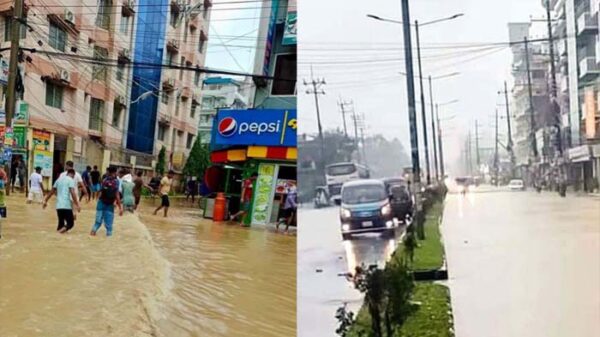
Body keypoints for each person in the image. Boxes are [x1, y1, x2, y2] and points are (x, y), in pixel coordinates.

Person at [43, 169, 81, 234]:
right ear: (72, 174)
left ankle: (57, 237)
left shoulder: (58, 180)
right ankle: (58, 234)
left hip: (58, 206)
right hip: (66, 205)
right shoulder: (70, 180)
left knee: (61, 224)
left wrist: (45, 201)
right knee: (70, 224)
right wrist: (77, 204)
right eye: (73, 176)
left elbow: (51, 192)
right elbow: (72, 192)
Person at [90, 166, 123, 237]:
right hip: (109, 205)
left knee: (97, 223)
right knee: (109, 226)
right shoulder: (116, 181)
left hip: (101, 203)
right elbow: (117, 195)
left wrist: (97, 200)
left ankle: (91, 235)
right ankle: (108, 243)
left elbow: (100, 192)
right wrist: (120, 207)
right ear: (115, 172)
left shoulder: (104, 180)